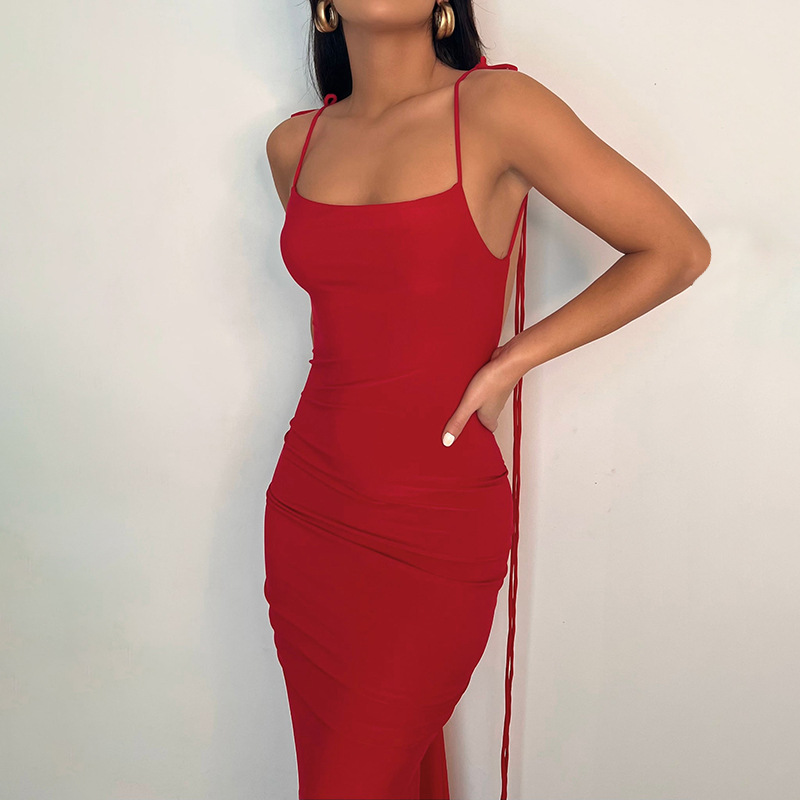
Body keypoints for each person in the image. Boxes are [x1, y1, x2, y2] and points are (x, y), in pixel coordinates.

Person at [263, 1, 711, 798]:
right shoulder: (293, 146)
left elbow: (675, 250)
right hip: (310, 512)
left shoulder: (498, 108)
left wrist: (511, 362)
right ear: (323, 4)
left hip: (434, 521)